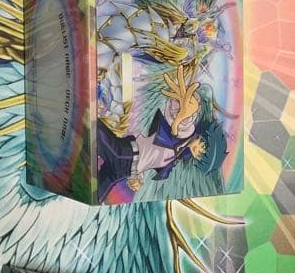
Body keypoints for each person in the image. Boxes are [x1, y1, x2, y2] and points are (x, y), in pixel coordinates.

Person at [97, 63, 228, 202]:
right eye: (204, 145)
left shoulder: (178, 154)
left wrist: (136, 176)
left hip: (122, 171)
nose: (199, 149)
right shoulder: (185, 131)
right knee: (91, 126)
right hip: (123, 154)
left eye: (201, 155)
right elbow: (178, 126)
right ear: (202, 136)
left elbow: (150, 158)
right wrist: (187, 113)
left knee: (96, 195)